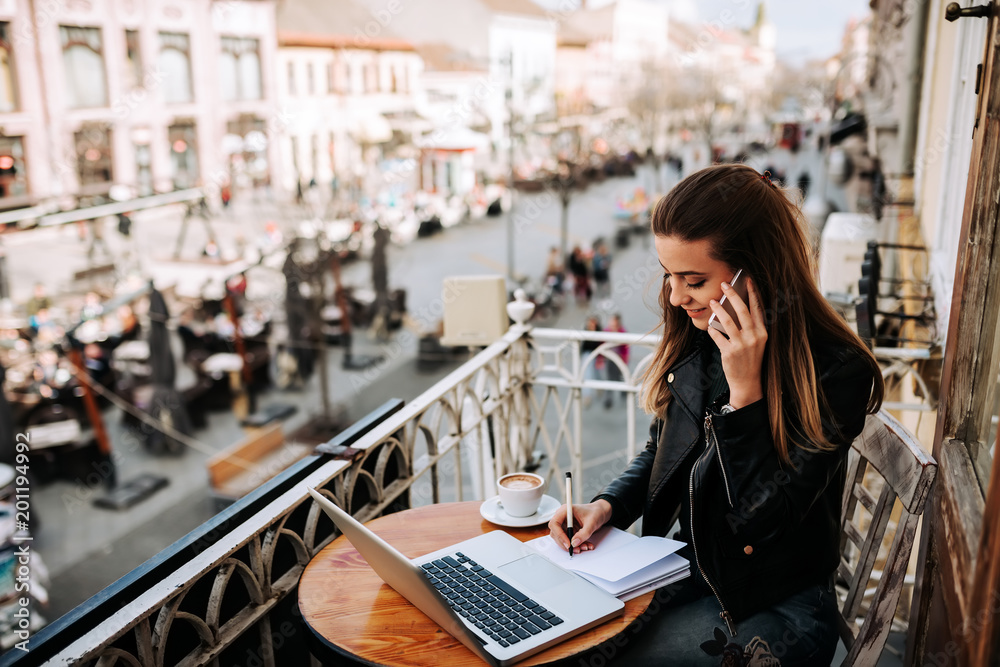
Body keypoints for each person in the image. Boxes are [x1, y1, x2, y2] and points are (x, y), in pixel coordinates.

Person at [547, 164, 884, 665]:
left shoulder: (836, 371)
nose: (676, 296)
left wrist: (745, 397)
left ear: (758, 271)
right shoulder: (704, 336)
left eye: (694, 279)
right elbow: (660, 451)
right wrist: (607, 506)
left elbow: (761, 524)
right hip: (690, 574)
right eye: (669, 275)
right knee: (560, 640)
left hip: (781, 610)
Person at [602, 313, 628, 409]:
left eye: (615, 325)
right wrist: (600, 359)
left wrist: (625, 358)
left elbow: (625, 348)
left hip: (620, 358)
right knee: (609, 377)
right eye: (612, 325)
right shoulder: (606, 332)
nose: (613, 327)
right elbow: (601, 346)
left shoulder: (622, 332)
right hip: (609, 359)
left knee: (620, 376)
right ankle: (608, 399)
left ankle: (623, 392)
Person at [580, 315, 603, 407]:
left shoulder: (599, 332)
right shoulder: (585, 331)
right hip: (587, 354)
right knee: (587, 374)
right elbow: (584, 346)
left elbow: (599, 345)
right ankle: (587, 396)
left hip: (596, 354)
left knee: (597, 373)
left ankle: (599, 387)